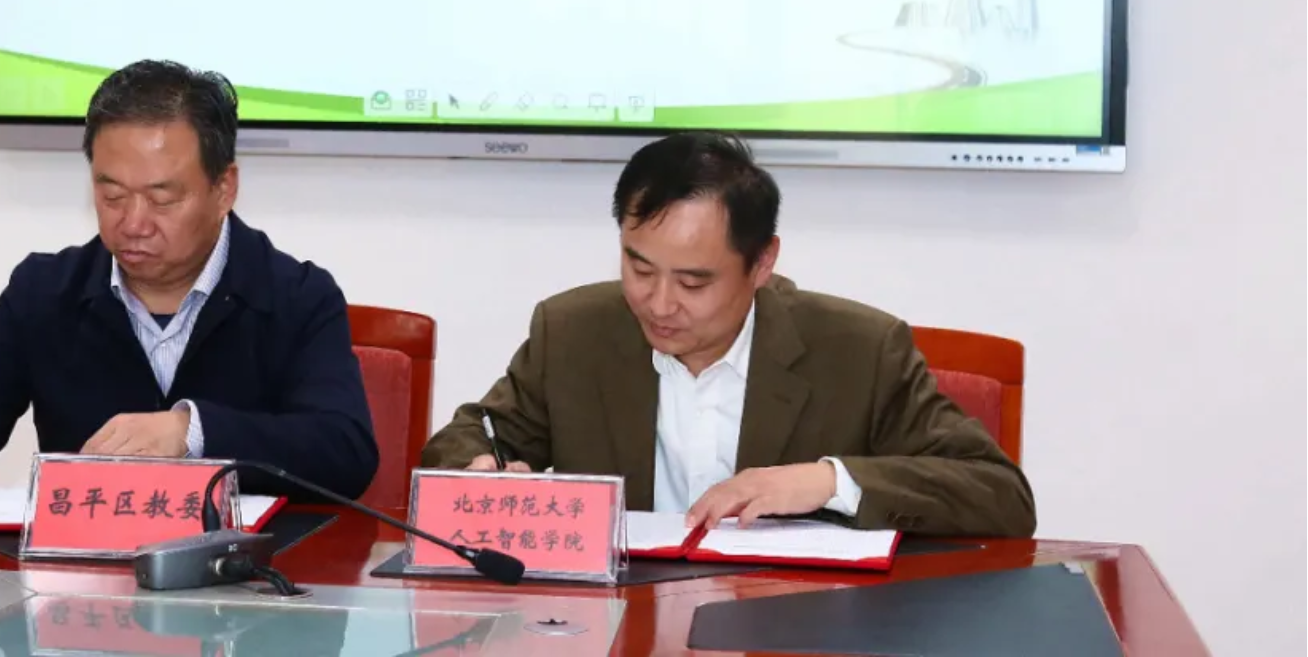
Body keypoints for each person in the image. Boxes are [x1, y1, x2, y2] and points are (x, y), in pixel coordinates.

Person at [420, 132, 1036, 538]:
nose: (659, 303)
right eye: (639, 268)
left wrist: (824, 481)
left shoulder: (860, 351)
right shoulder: (573, 333)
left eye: (693, 281)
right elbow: (470, 436)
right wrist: (479, 470)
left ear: (762, 263)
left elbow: (1001, 495)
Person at [0, 60, 378, 504]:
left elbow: (344, 451)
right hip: (84, 590)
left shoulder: (295, 297)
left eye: (162, 198)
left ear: (224, 188)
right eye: (112, 195)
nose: (133, 222)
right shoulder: (46, 291)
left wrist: (192, 433)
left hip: (249, 591)